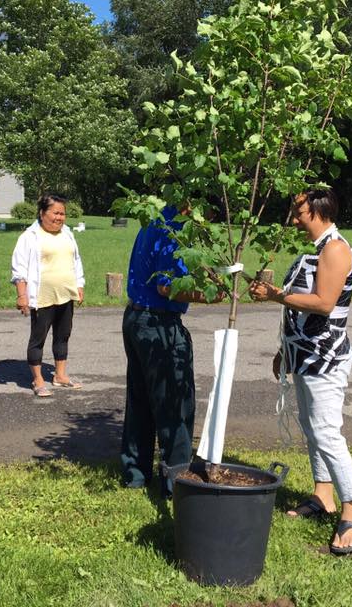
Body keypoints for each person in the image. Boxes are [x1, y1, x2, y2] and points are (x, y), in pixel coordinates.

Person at [249, 188, 352, 556]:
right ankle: (323, 495)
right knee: (310, 426)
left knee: (327, 432)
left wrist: (273, 295)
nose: (294, 216)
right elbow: (299, 311)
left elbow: (323, 302)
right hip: (303, 356)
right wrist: (284, 351)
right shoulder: (317, 248)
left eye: (298, 210)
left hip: (325, 358)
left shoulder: (335, 249)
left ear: (316, 209)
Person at [120, 205, 218, 498]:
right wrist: (208, 296)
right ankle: (177, 483)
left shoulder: (154, 219)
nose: (207, 221)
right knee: (174, 403)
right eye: (208, 215)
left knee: (140, 401)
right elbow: (167, 286)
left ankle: (135, 474)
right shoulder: (173, 230)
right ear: (195, 206)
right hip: (159, 324)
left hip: (137, 318)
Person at [11, 194, 85, 397]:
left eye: (63, 214)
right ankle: (38, 379)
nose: (60, 217)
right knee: (38, 338)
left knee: (63, 335)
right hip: (42, 296)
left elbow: (75, 261)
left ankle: (60, 376)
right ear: (43, 213)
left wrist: (79, 284)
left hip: (65, 294)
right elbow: (19, 269)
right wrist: (22, 295)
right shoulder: (30, 236)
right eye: (56, 213)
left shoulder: (67, 234)